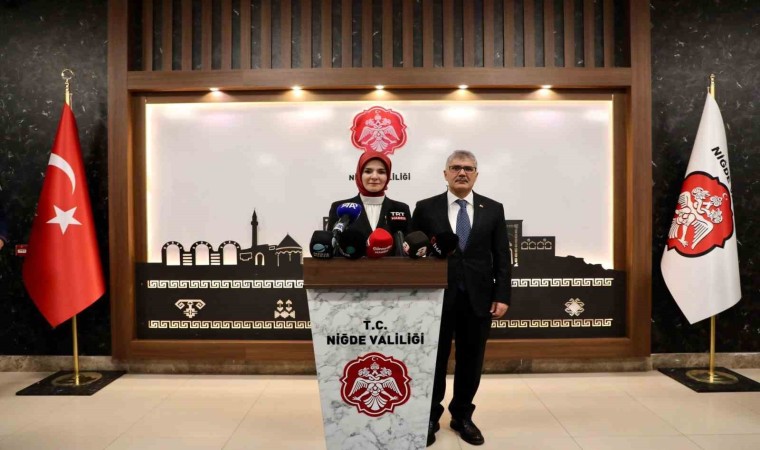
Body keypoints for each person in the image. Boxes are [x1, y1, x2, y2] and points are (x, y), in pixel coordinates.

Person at [412, 150, 511, 446]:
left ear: (476, 175)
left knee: (471, 359)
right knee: (434, 359)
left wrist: (502, 295)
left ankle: (462, 416)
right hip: (436, 297)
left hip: (478, 298)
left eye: (468, 168)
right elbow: (413, 251)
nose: (462, 173)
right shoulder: (425, 208)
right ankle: (430, 415)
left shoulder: (493, 209)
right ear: (445, 174)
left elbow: (502, 256)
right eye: (455, 167)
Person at [327, 152, 411, 253]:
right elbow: (332, 248)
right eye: (368, 171)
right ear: (359, 174)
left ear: (388, 176)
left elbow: (407, 249)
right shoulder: (339, 207)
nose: (374, 176)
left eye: (381, 172)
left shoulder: (401, 209)